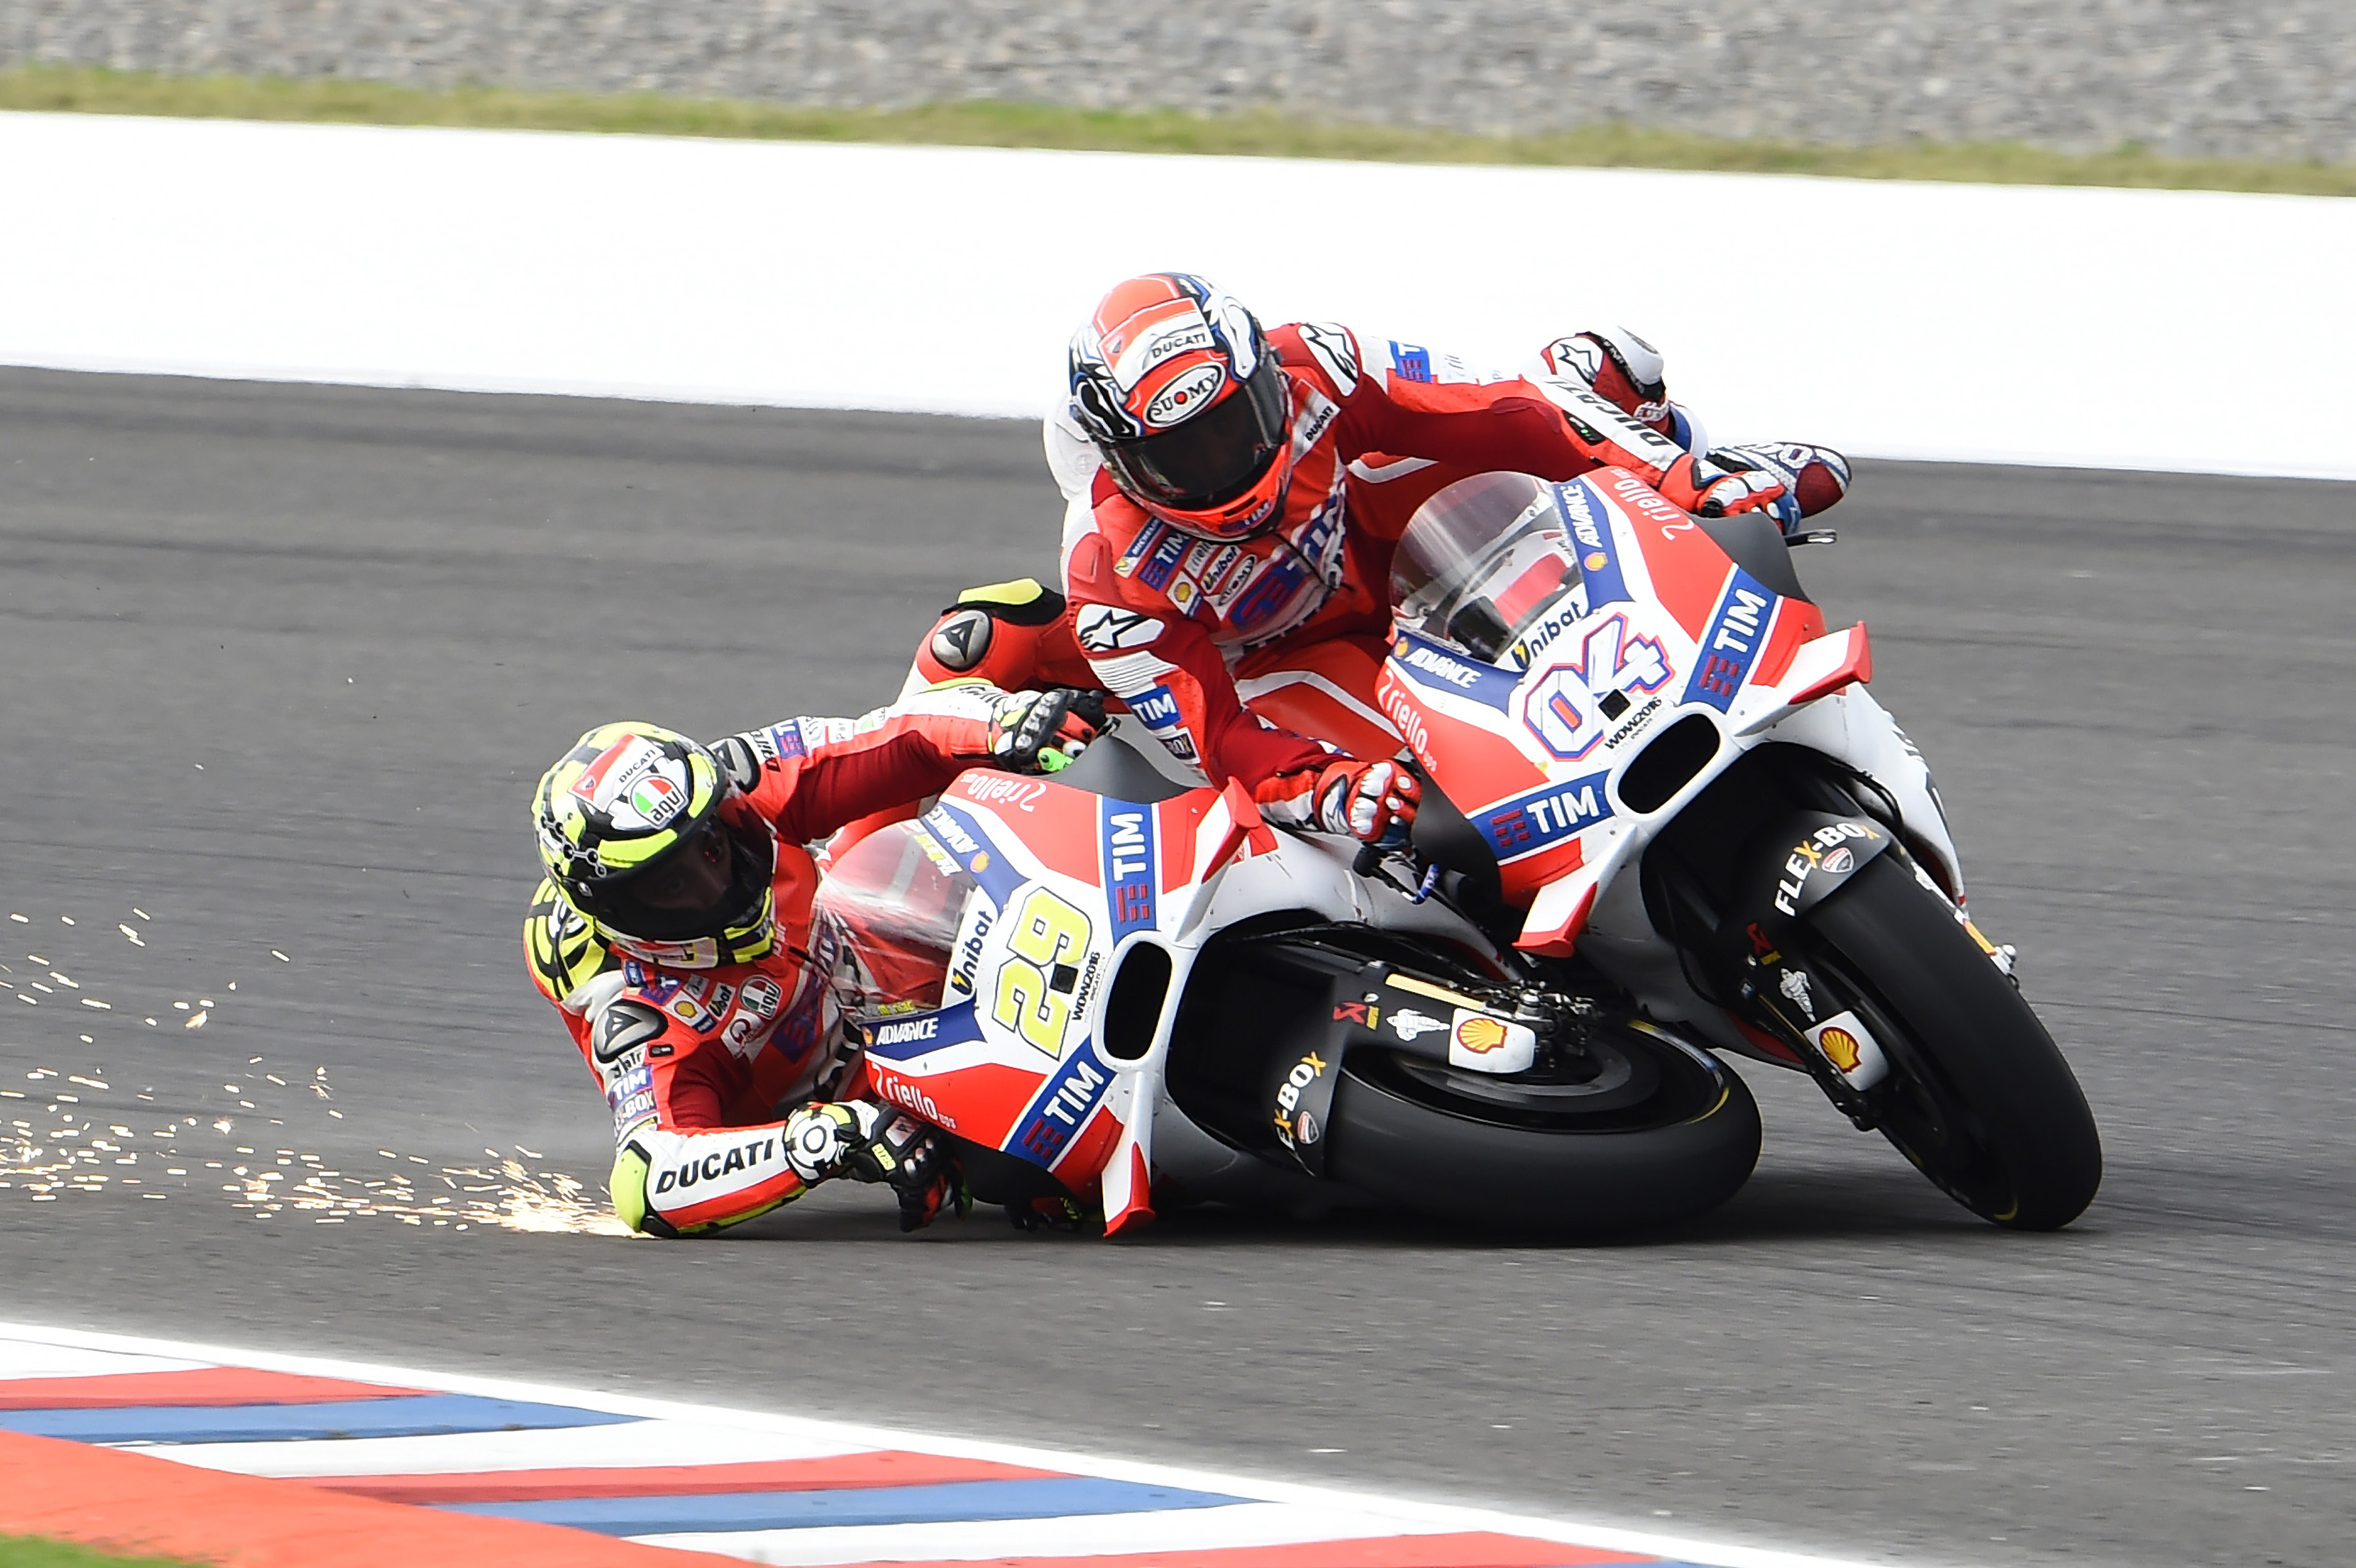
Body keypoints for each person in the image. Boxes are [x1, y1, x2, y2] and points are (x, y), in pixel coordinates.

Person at [937, 273, 1850, 844]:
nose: (1223, 468)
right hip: (1292, 661)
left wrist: (1684, 480)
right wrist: (1328, 791)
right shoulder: (1112, 573)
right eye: (1182, 456)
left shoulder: (1317, 365)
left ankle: (1717, 492)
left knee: (1605, 371)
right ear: (1124, 463)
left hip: (1403, 537)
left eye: (1234, 429)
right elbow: (1220, 740)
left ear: (1265, 381)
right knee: (1418, 821)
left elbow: (1506, 412)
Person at [524, 686, 1093, 1238]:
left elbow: (894, 734)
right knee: (1028, 1168)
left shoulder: (737, 783)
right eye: (673, 886)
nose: (716, 884)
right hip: (883, 1087)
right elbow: (649, 1180)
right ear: (620, 914)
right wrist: (827, 1139)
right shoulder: (638, 1011)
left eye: (713, 849)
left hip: (873, 920)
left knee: (986, 642)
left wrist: (1010, 723)